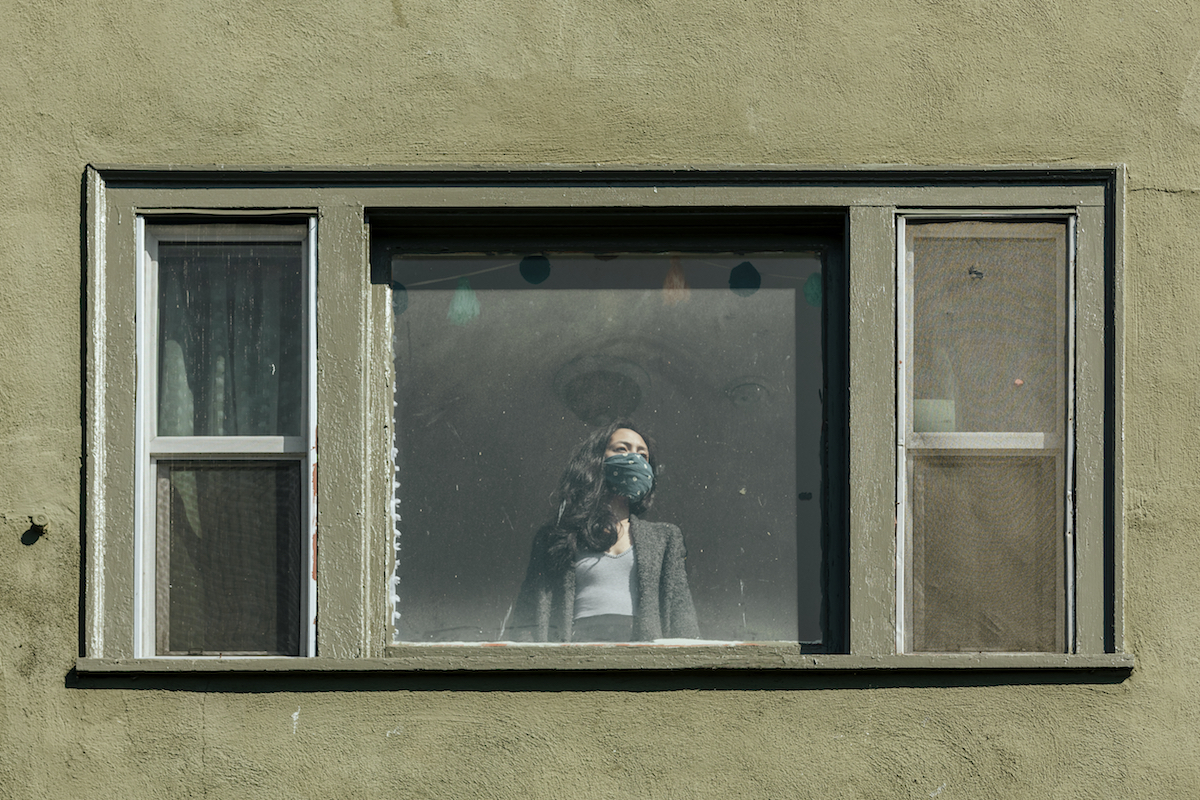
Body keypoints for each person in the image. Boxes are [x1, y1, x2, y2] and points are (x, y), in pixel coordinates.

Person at [513, 420, 700, 642]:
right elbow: (528, 614)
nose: (634, 459)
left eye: (643, 455)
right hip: (575, 651)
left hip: (642, 653)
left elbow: (682, 616)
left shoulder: (665, 539)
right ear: (597, 460)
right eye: (622, 449)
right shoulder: (556, 536)